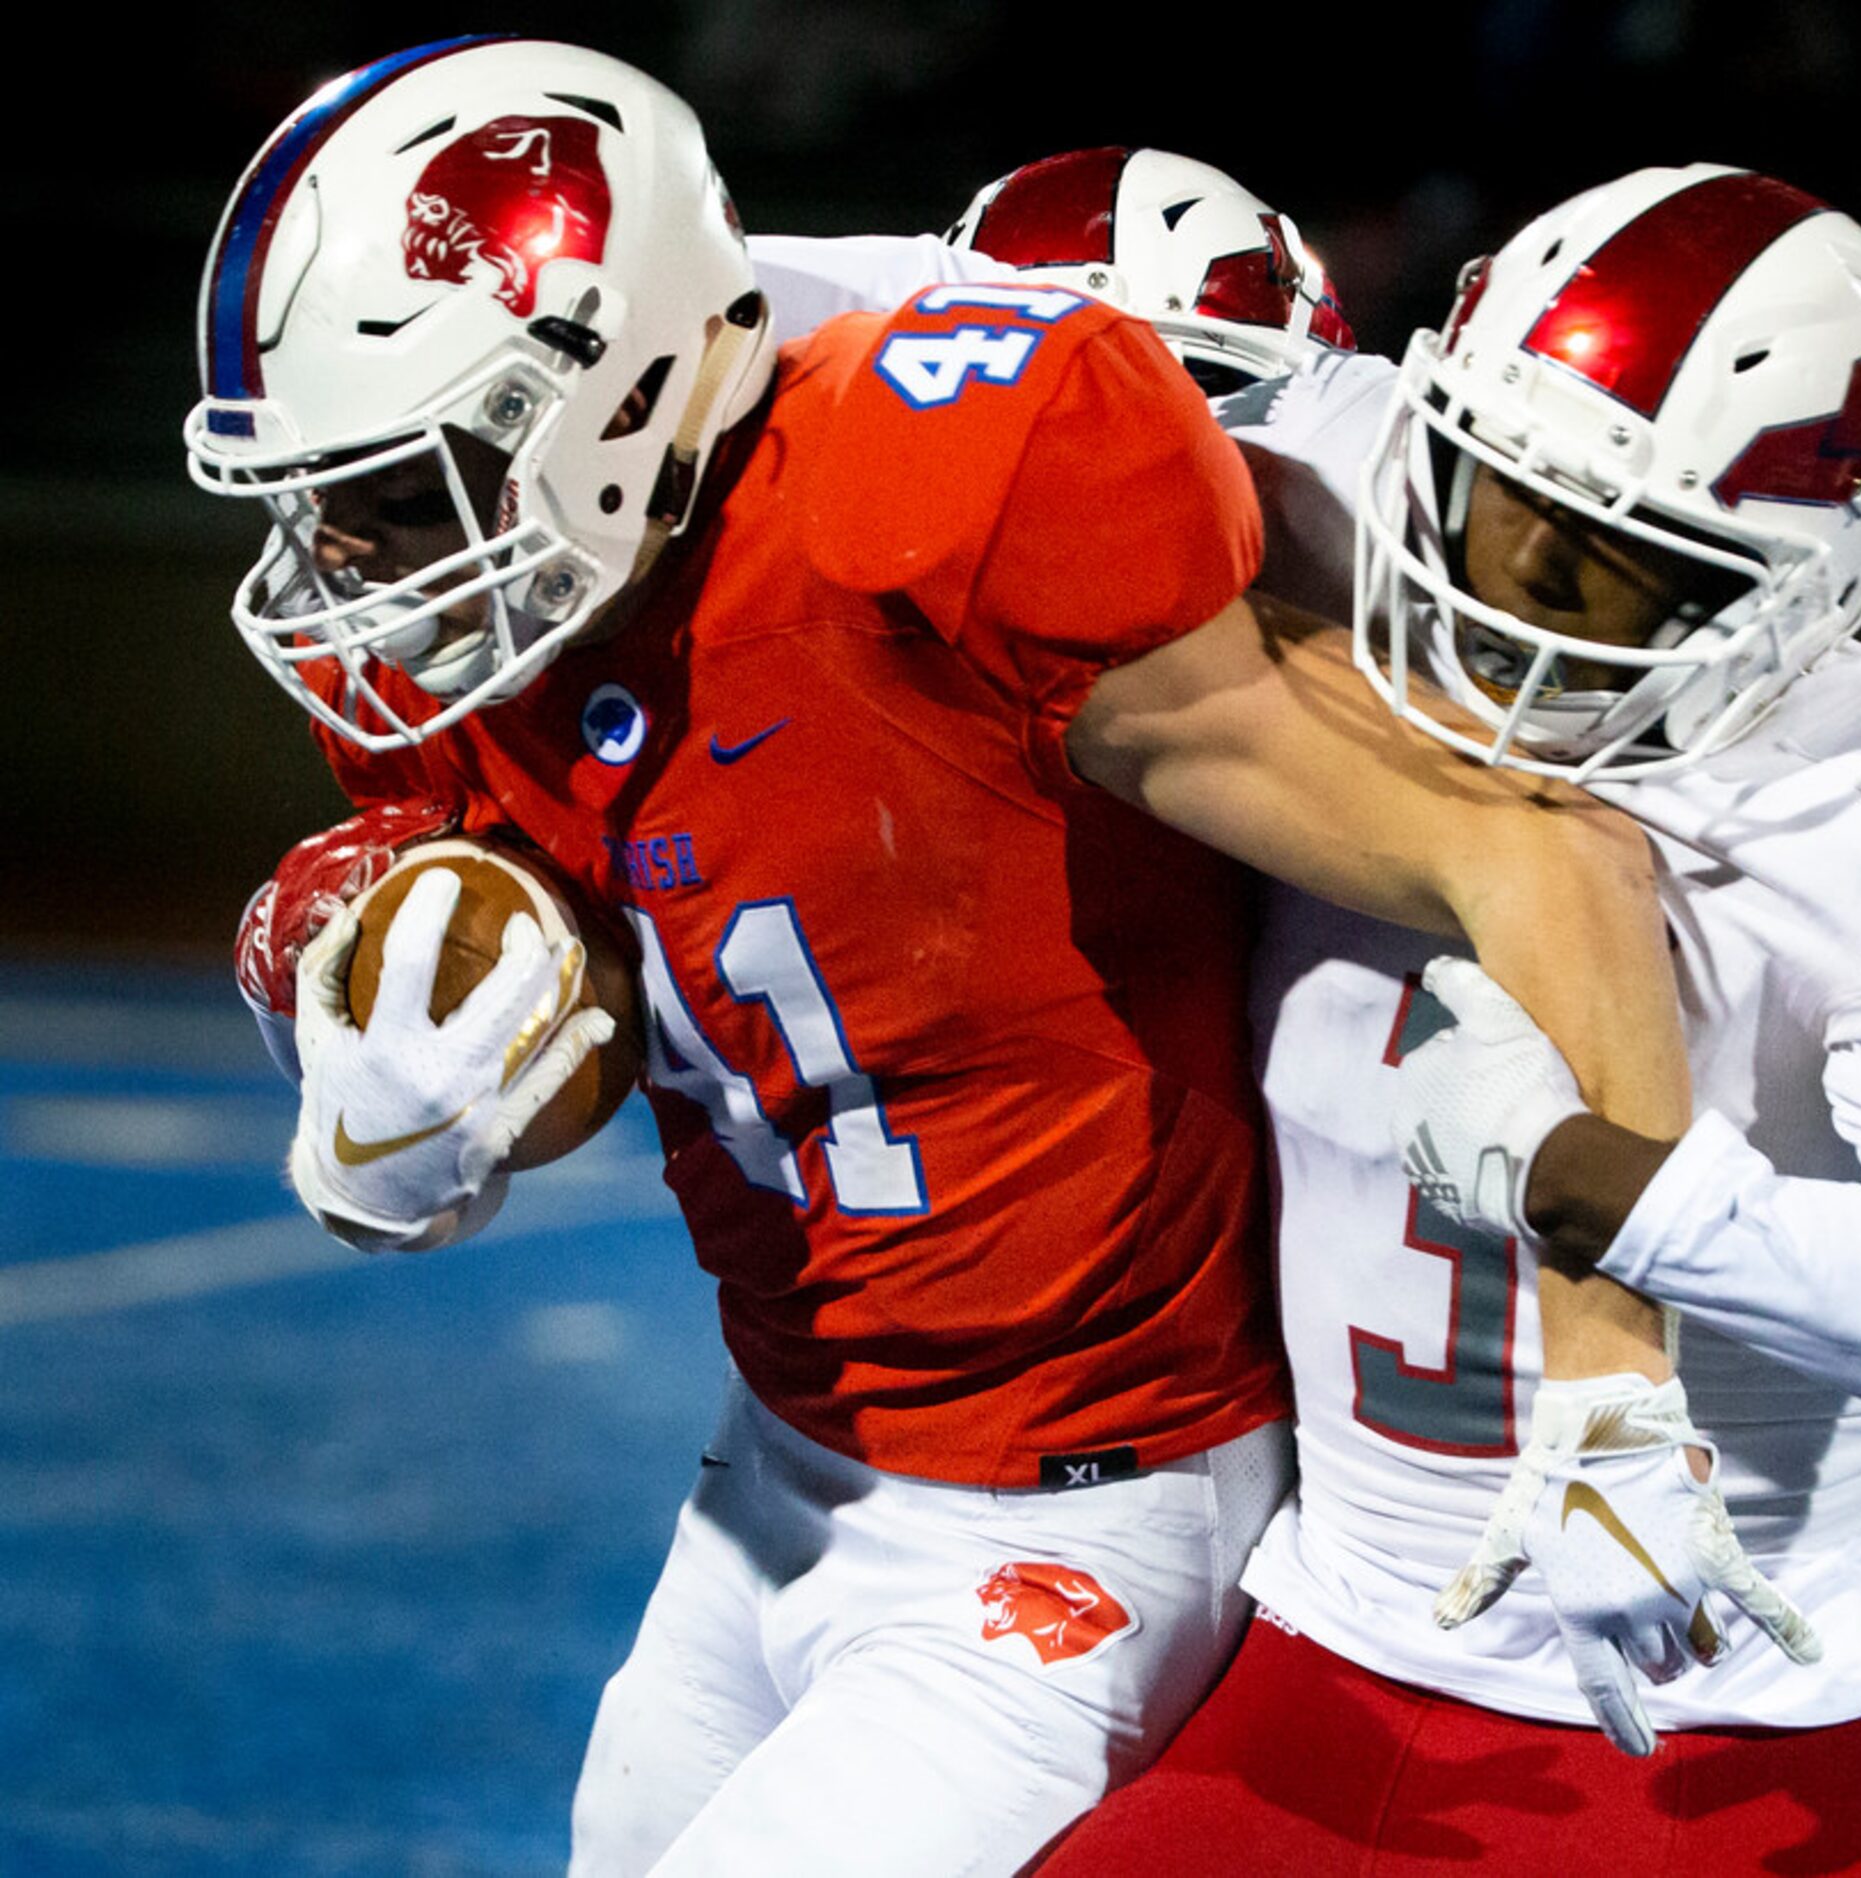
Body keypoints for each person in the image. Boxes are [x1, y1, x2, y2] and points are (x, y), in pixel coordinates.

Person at [193, 45, 1727, 1876]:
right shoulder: (498, 600)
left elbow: (1539, 850)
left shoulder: (942, 488)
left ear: (605, 399)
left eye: (405, 489)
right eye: (320, 498)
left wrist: (1621, 1394)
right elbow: (538, 941)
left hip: (1075, 1506)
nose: (349, 561)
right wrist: (371, 1017)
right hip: (773, 1454)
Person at [746, 159, 1861, 1871]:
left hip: (1739, 1618)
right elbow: (904, 313)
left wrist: (1608, 1179)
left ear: (1812, 596)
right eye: (1481, 504)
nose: (1501, 607)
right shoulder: (1335, 473)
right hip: (1359, 1604)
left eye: (1615, 575)